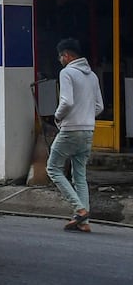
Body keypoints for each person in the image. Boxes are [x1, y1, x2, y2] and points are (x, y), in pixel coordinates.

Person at [46, 38, 103, 233]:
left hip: (70, 130)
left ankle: (79, 209)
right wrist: (85, 117)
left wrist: (57, 116)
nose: (60, 60)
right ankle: (84, 221)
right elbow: (99, 106)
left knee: (53, 168)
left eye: (61, 56)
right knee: (80, 175)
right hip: (88, 130)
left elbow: (67, 102)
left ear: (67, 55)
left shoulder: (67, 72)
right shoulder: (93, 76)